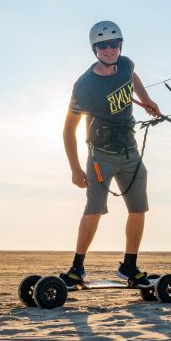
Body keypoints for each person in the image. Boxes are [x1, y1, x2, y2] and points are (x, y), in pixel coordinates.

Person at [62, 20, 161, 288]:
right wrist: (74, 169)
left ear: (120, 45)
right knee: (94, 209)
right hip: (101, 155)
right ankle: (76, 269)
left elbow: (133, 77)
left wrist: (147, 101)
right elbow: (68, 130)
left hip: (130, 152)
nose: (109, 49)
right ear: (94, 49)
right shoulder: (85, 85)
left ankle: (129, 267)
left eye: (114, 43)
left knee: (139, 208)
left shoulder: (126, 64)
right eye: (103, 45)